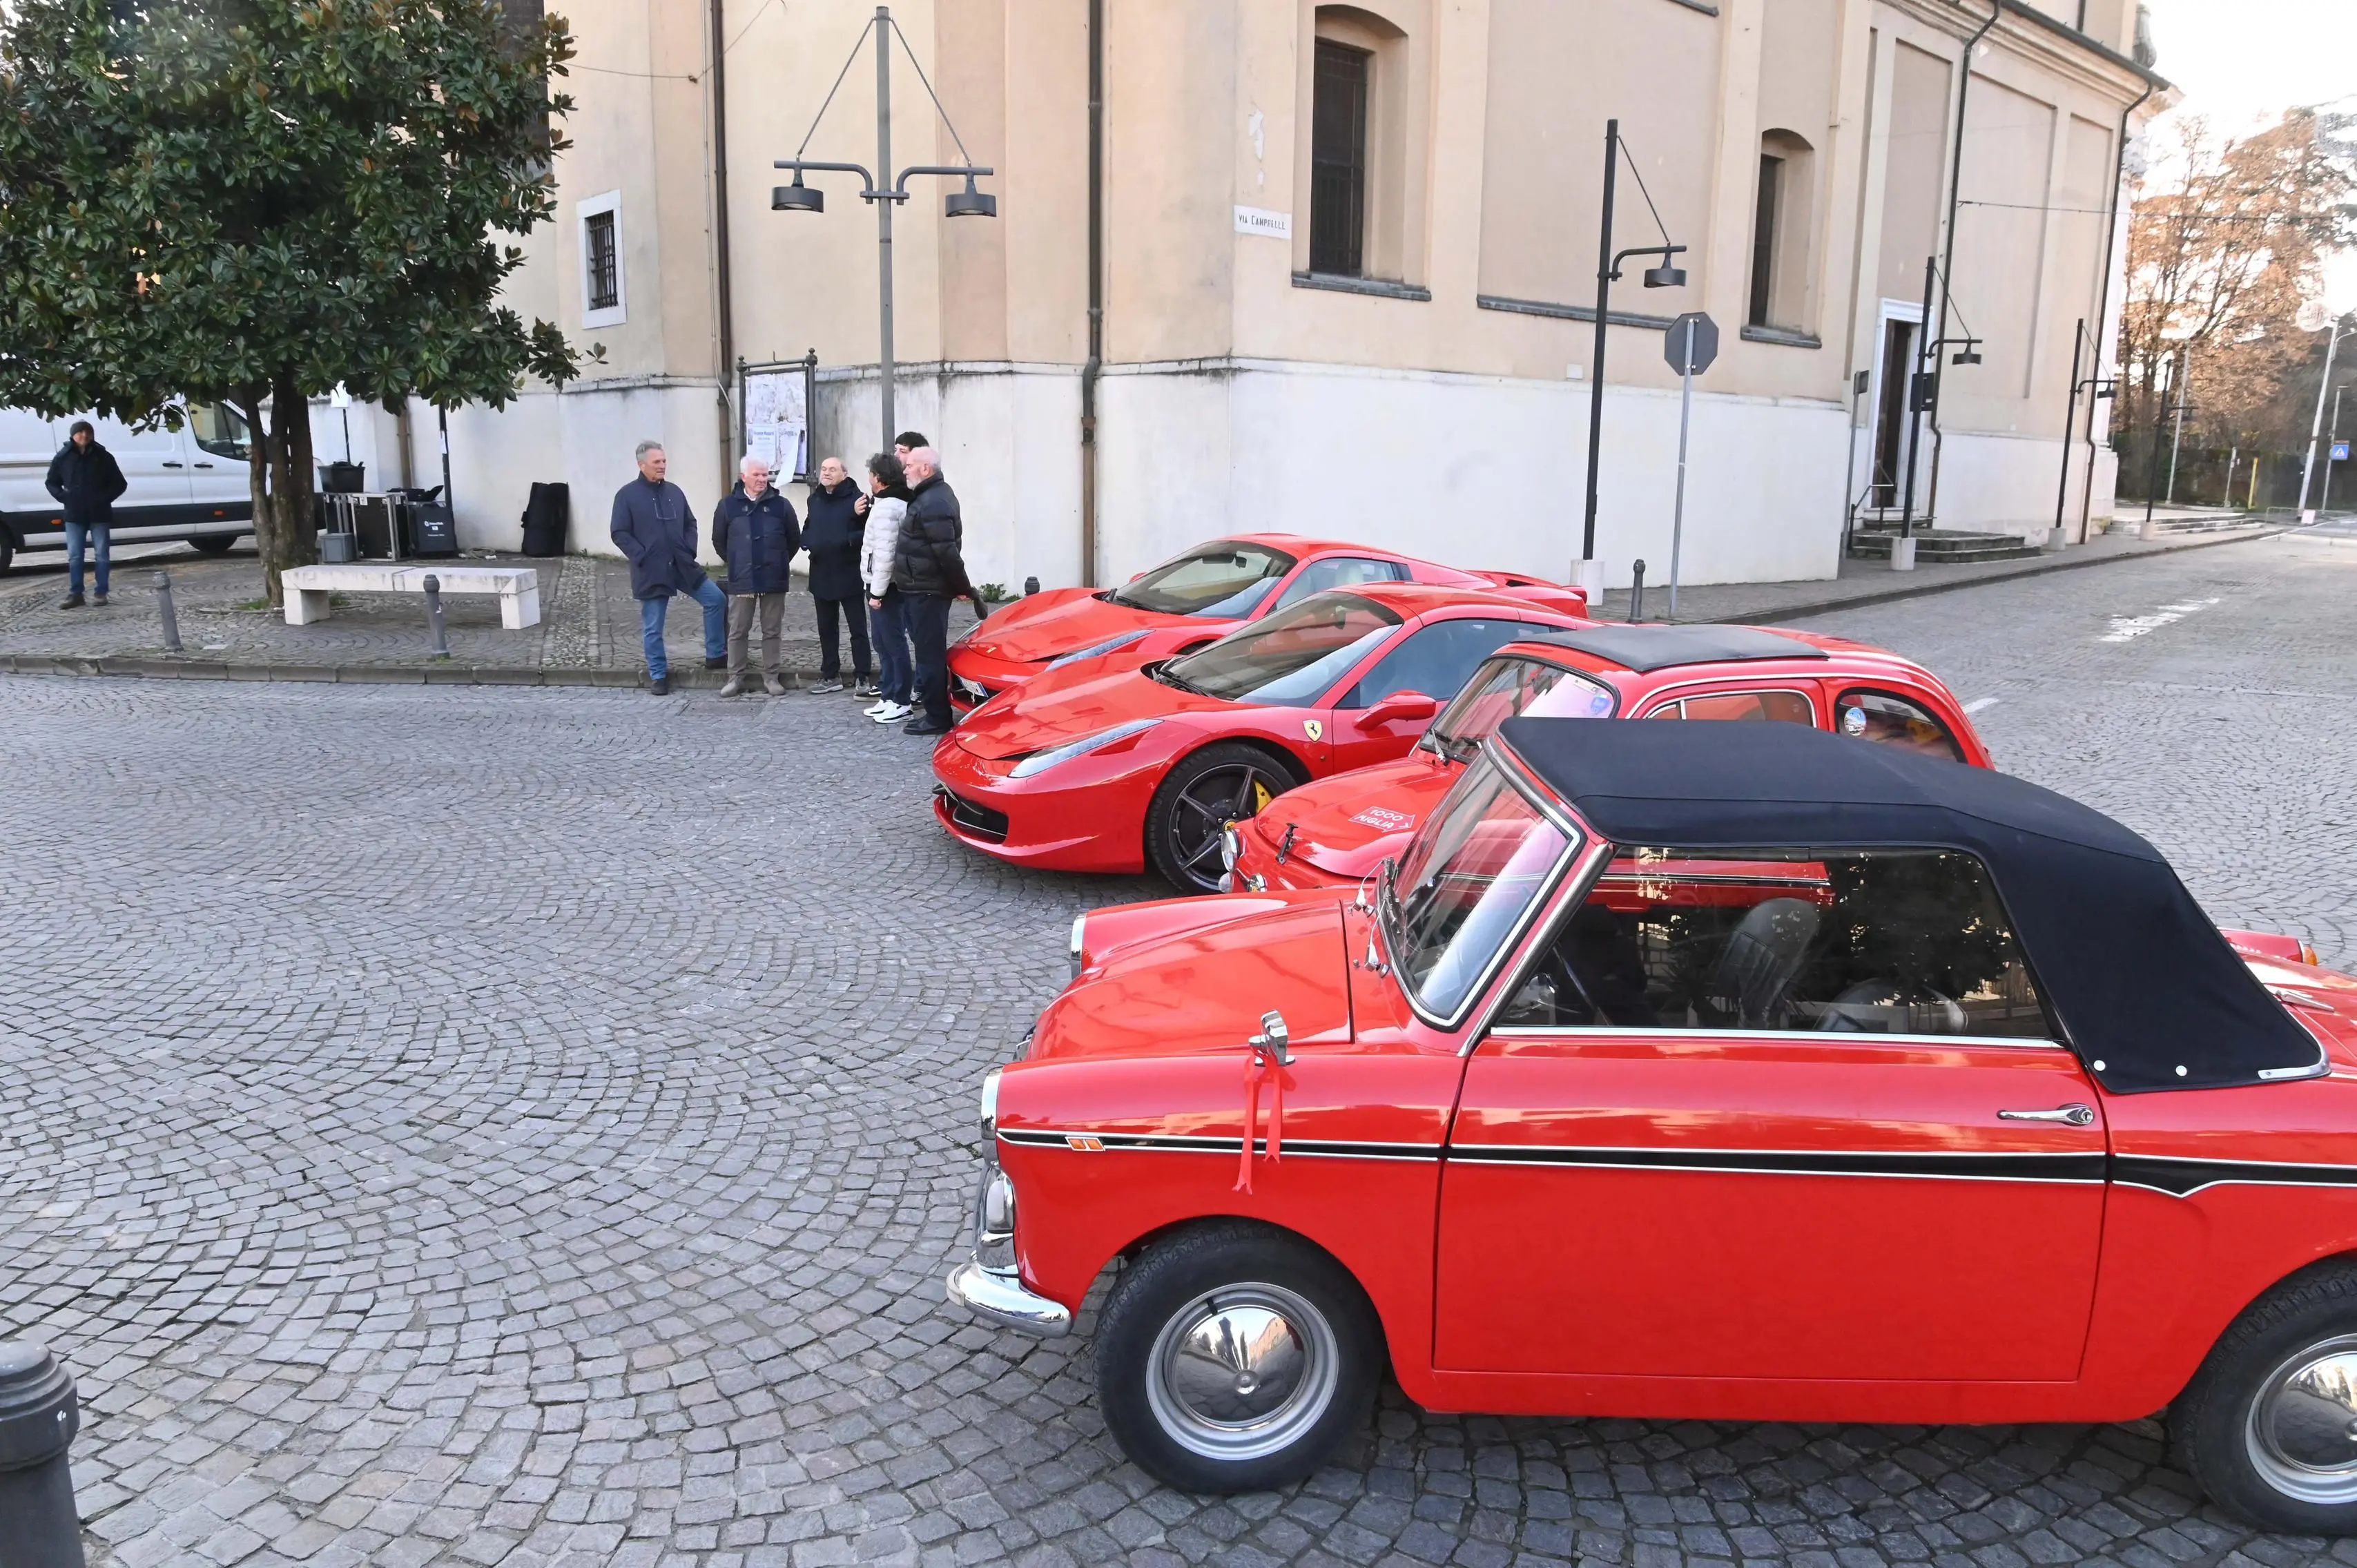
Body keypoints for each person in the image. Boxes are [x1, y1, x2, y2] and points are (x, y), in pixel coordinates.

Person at [610, 440, 725, 695]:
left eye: (664, 461)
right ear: (642, 465)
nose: (663, 466)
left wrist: (688, 549)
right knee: (653, 626)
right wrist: (641, 555)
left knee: (716, 599)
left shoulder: (674, 491)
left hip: (682, 565)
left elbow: (690, 523)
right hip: (651, 569)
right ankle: (658, 675)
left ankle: (716, 655)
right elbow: (619, 532)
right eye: (657, 462)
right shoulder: (626, 496)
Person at [893, 445, 971, 737]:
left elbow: (946, 552)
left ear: (926, 469)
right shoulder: (929, 496)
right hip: (920, 588)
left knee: (930, 655)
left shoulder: (934, 501)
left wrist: (962, 587)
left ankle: (938, 716)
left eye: (910, 465)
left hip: (927, 591)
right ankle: (934, 711)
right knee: (927, 653)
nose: (905, 469)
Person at [710, 454, 799, 697]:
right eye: (757, 475)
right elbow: (719, 541)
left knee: (772, 631)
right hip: (742, 579)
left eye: (765, 475)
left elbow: (793, 540)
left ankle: (771, 677)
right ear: (743, 477)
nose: (763, 479)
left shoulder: (781, 506)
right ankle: (735, 678)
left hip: (774, 579)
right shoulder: (728, 505)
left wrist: (777, 561)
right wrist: (739, 562)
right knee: (738, 631)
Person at [800, 456, 872, 695]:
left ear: (844, 473)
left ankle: (863, 676)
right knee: (826, 628)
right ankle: (830, 674)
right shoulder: (815, 499)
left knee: (857, 629)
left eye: (832, 469)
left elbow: (866, 534)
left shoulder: (858, 500)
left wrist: (846, 536)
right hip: (821, 571)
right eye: (823, 469)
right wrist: (807, 541)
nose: (827, 473)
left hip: (848, 571)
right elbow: (810, 526)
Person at [46, 420, 127, 609]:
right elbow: (51, 482)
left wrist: (104, 498)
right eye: (80, 432)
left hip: (99, 513)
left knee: (102, 555)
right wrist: (65, 497)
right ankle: (76, 594)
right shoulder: (63, 457)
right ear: (73, 435)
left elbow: (120, 483)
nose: (84, 435)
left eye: (87, 432)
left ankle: (101, 592)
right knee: (75, 556)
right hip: (74, 514)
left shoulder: (103, 456)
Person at [860, 452, 914, 724]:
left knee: (893, 642)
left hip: (886, 587)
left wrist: (877, 592)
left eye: (870, 474)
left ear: (878, 478)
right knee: (882, 641)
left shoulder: (887, 508)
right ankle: (890, 694)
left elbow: (885, 554)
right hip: (883, 585)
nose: (868, 478)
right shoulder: (887, 504)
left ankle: (901, 699)